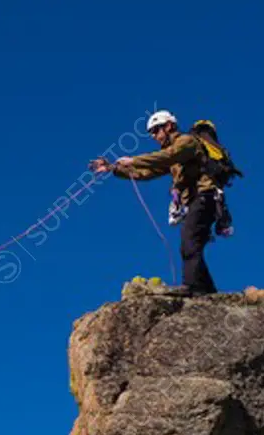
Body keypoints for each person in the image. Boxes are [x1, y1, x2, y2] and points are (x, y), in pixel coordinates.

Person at [89, 110, 234, 296]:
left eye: (156, 130)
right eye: (152, 133)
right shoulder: (172, 153)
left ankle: (194, 287)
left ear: (169, 126)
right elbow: (146, 172)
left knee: (189, 241)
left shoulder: (187, 142)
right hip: (199, 200)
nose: (154, 136)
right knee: (192, 243)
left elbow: (167, 156)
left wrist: (133, 160)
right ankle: (207, 292)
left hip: (205, 195)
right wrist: (113, 168)